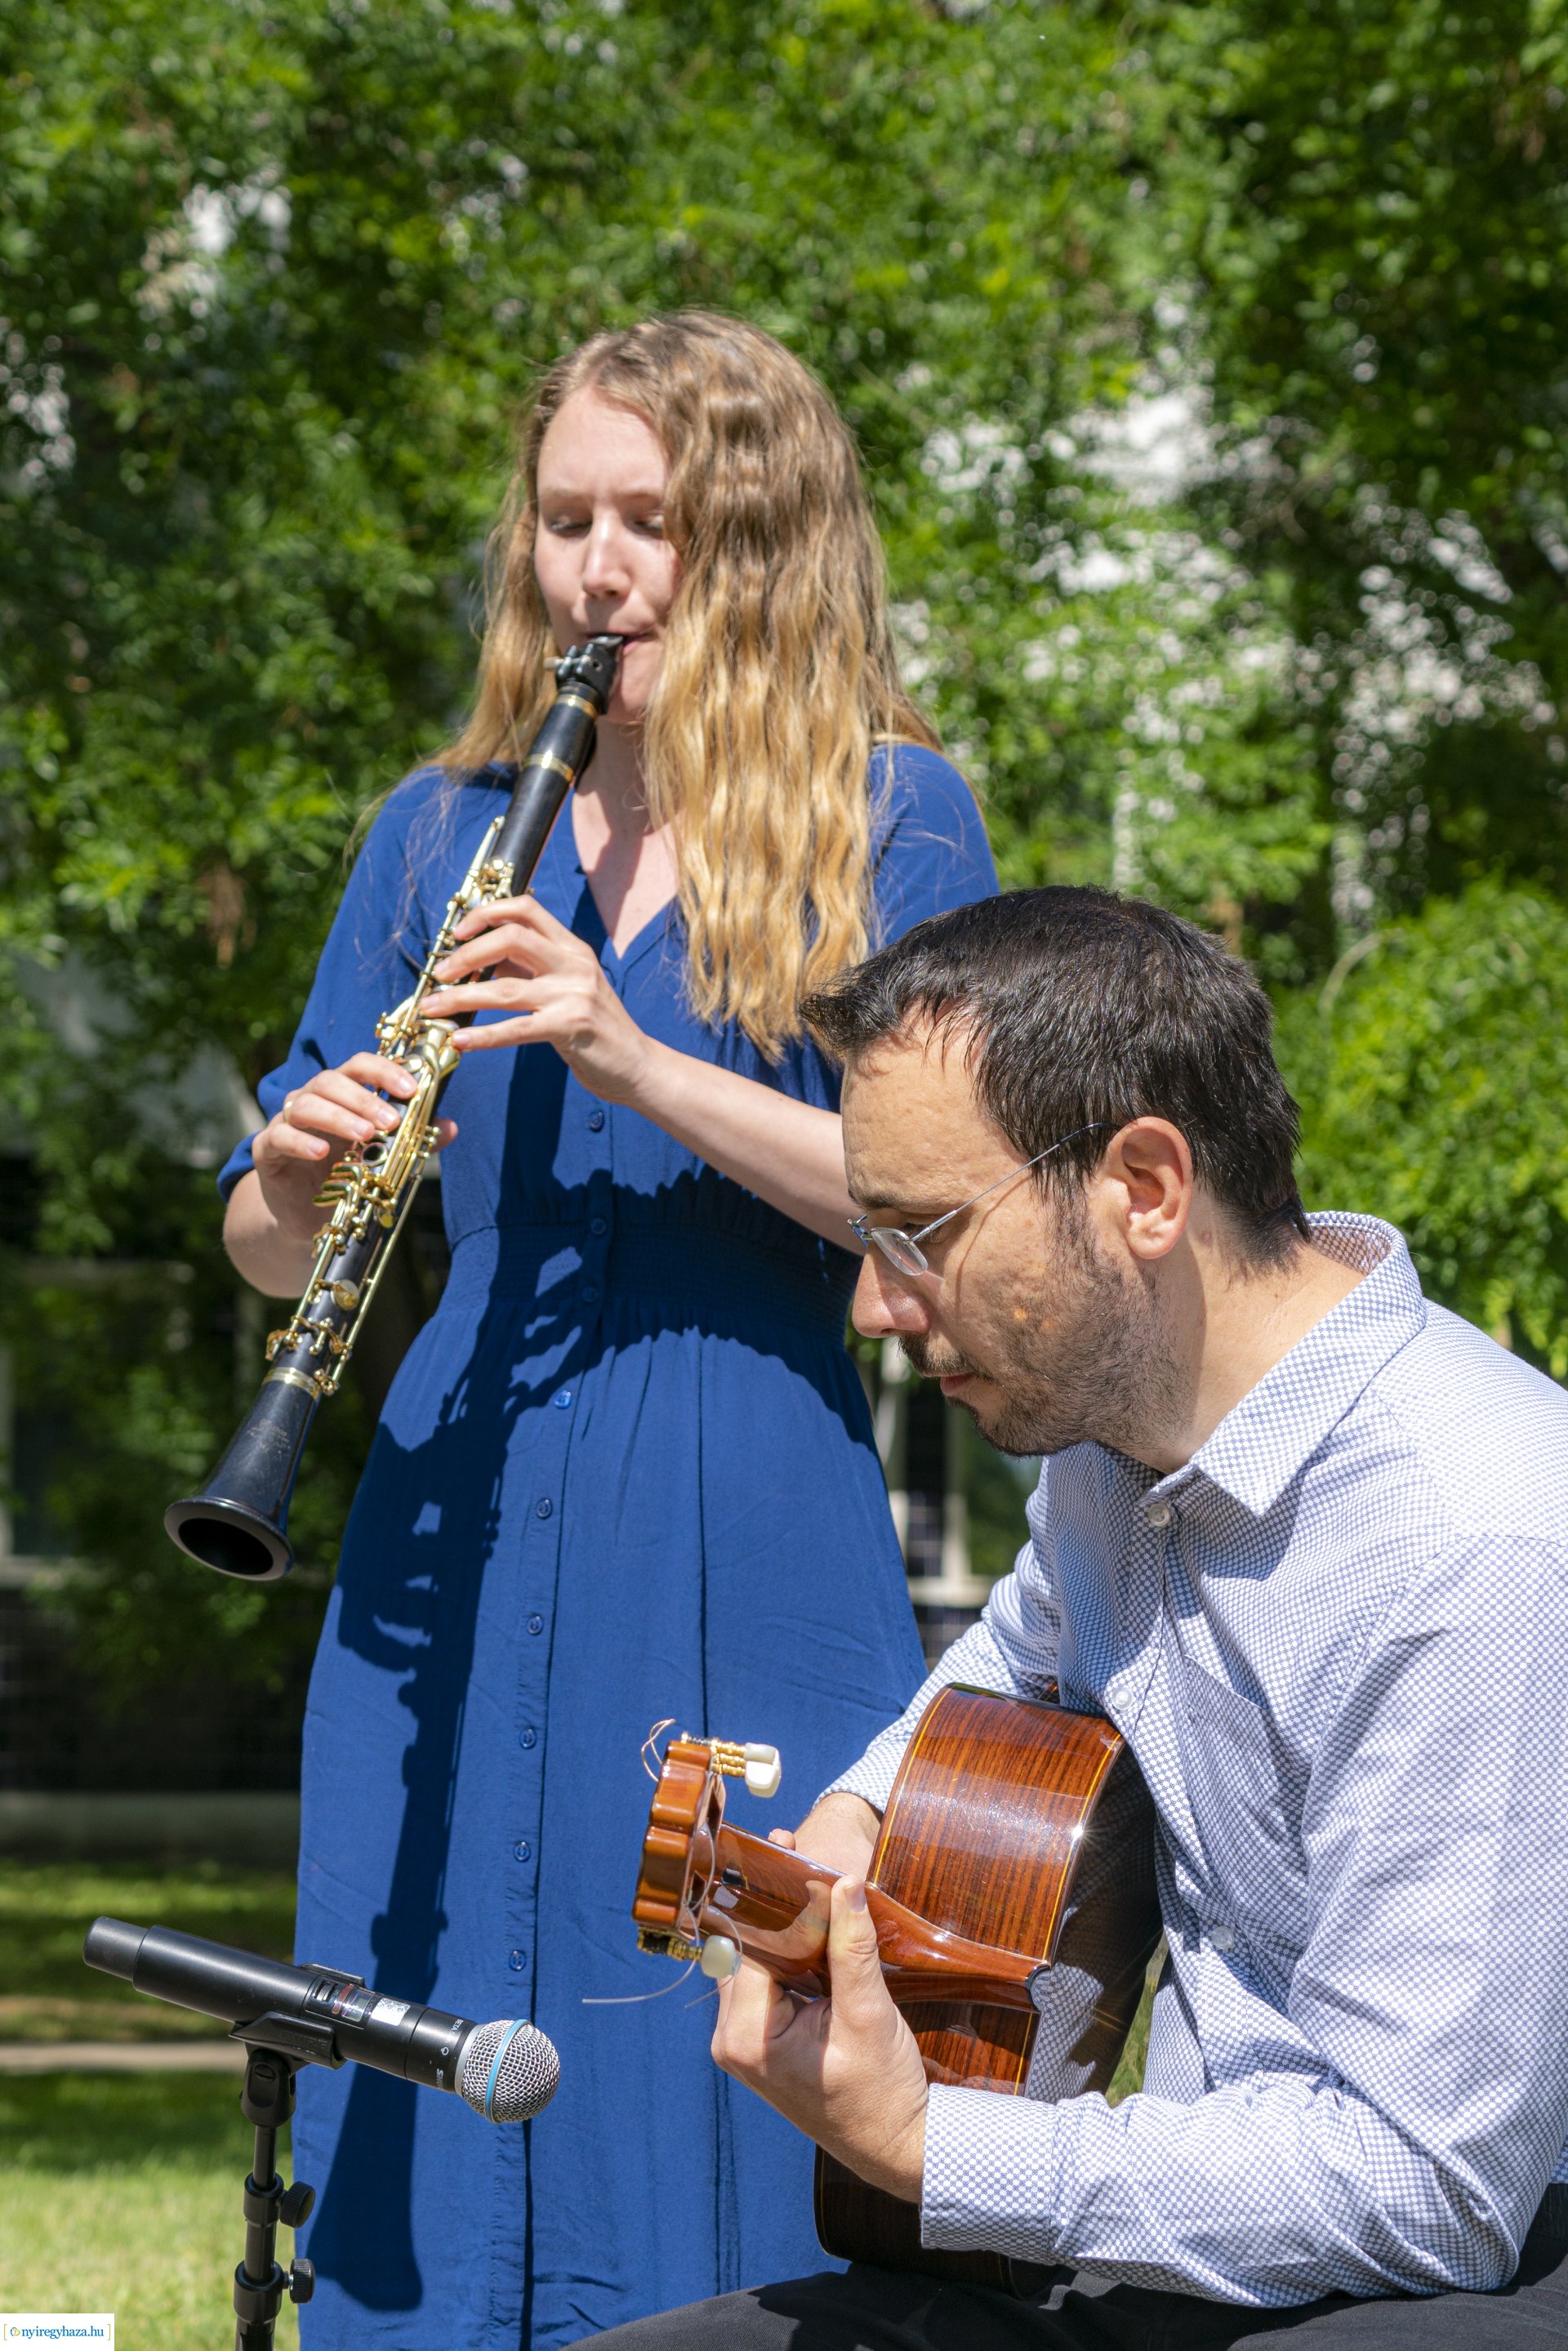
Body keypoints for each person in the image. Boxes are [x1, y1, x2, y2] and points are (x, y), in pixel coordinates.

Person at [216, 310, 996, 2349]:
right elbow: (267, 1247)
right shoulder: (436, 828)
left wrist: (632, 1057)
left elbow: (930, 1205)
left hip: (742, 1492)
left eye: (653, 520)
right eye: (565, 518)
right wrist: (297, 1177)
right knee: (426, 1981)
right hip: (450, 1499)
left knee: (708, 2036)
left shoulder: (889, 815)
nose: (597, 567)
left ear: (764, 542)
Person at [584, 886, 1568, 2350]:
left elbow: (1431, 2182)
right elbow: (1014, 1653)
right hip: (1178, 2225)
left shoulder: (1477, 1538)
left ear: (1147, 1189)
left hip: (1456, 2277)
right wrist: (854, 1820)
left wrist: (937, 2152)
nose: (874, 1303)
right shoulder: (1117, 1445)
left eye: (919, 1232)